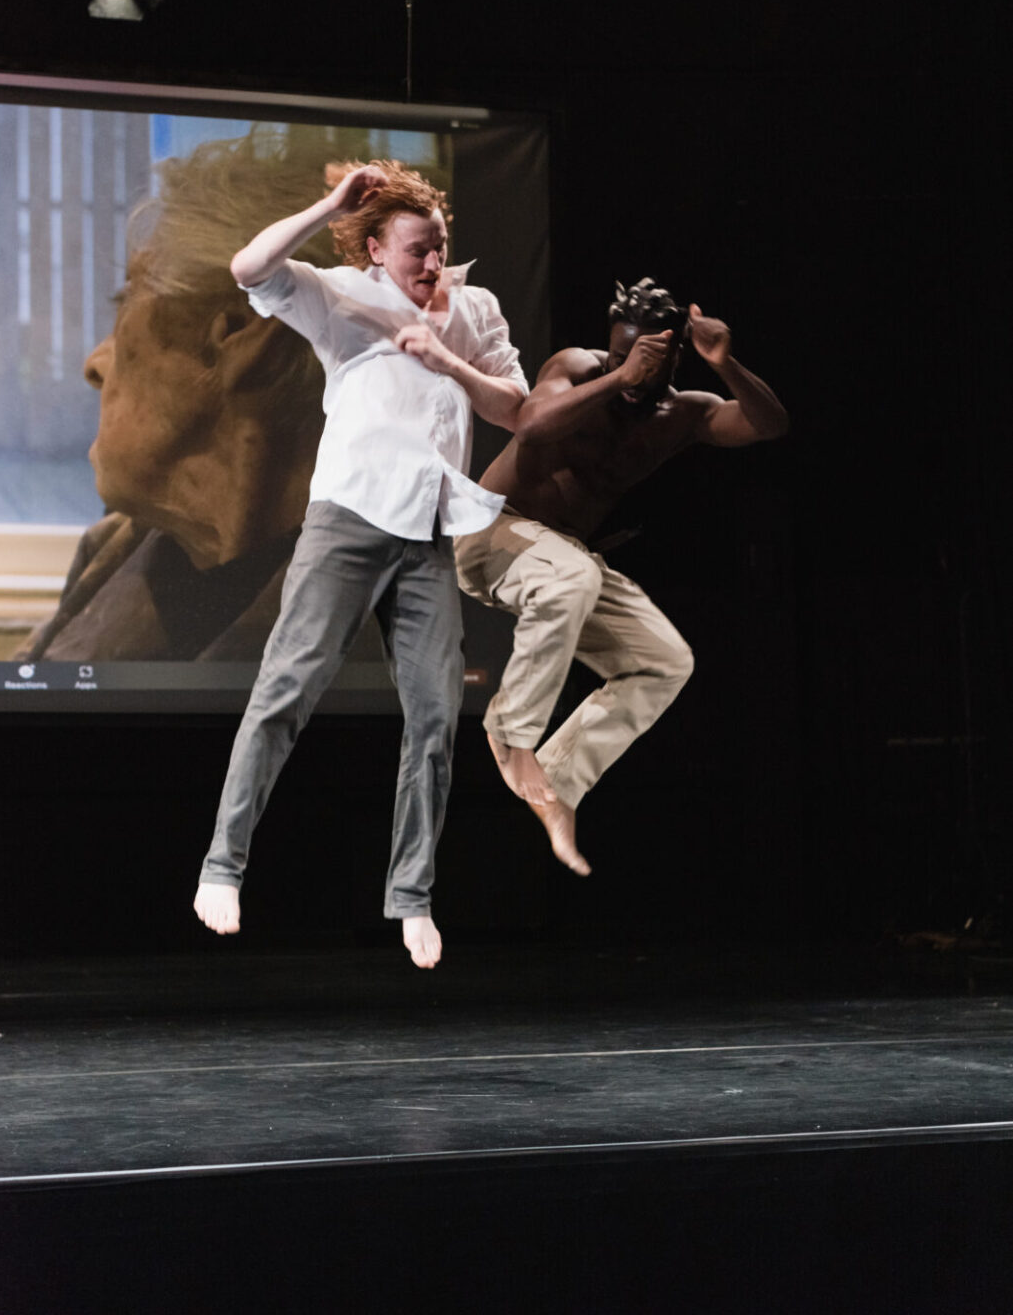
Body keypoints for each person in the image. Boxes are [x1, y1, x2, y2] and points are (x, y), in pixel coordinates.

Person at [193, 160, 528, 969]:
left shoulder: (474, 309)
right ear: (377, 248)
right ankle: (222, 868)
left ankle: (411, 896)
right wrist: (330, 206)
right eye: (416, 249)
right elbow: (249, 269)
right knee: (286, 691)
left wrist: (448, 360)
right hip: (348, 516)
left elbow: (517, 410)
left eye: (439, 247)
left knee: (436, 716)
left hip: (427, 532)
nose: (431, 264)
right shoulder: (342, 296)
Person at [454, 276, 788, 877]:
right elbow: (529, 425)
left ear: (674, 356)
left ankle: (555, 782)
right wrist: (618, 375)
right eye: (620, 352)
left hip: (563, 558)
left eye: (647, 357)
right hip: (491, 530)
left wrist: (727, 362)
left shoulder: (684, 414)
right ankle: (509, 733)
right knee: (572, 576)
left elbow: (768, 424)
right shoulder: (579, 369)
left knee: (664, 661)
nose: (631, 365)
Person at [15, 132, 334, 663]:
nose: (94, 364)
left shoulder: (375, 626)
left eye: (127, 299)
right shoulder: (116, 548)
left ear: (241, 337)